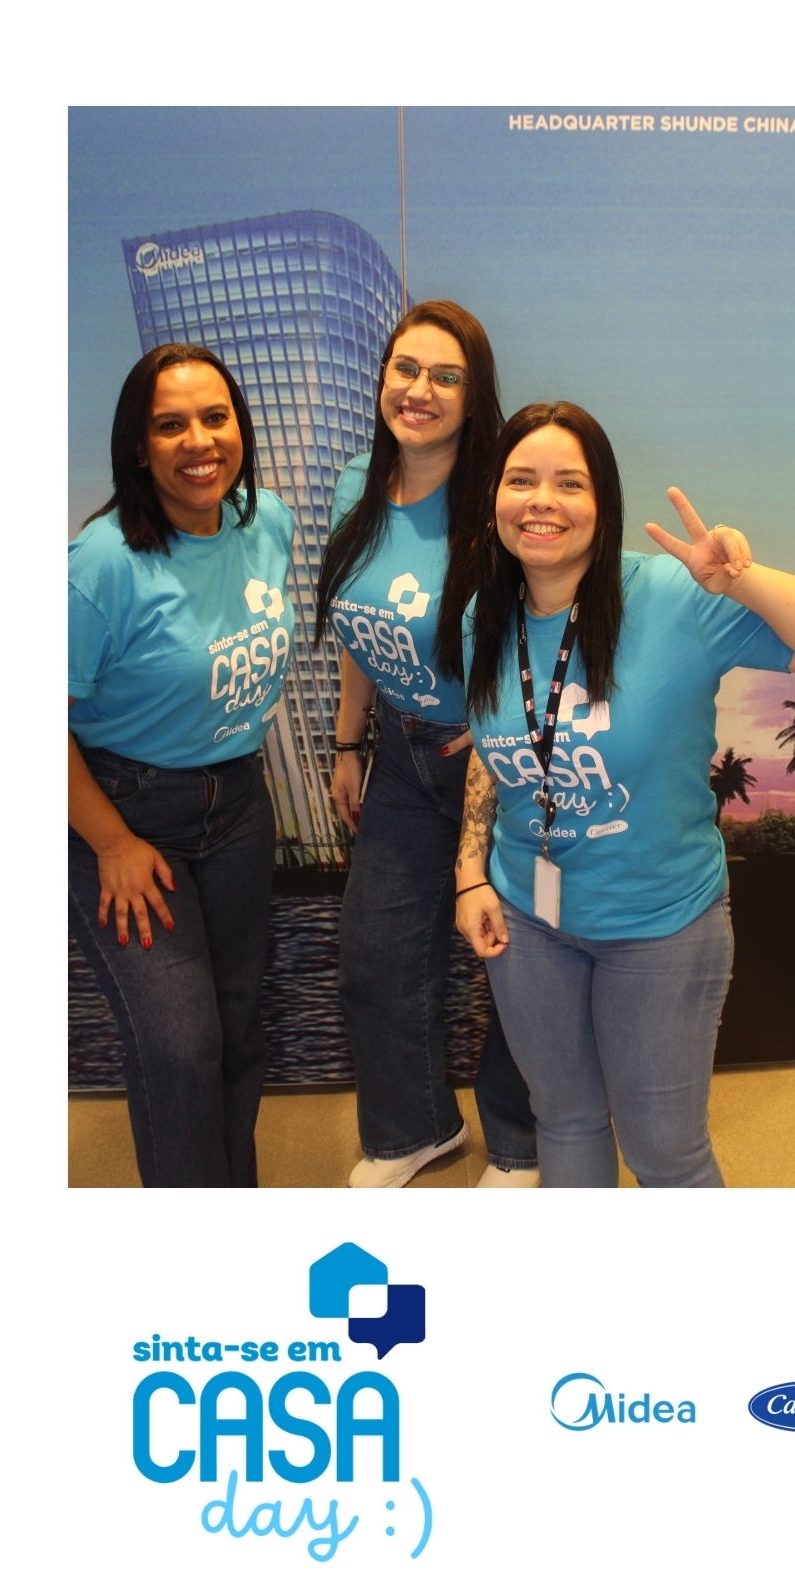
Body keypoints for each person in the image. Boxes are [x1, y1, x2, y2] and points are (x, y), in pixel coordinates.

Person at [455, 402, 795, 1187]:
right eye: (521, 480)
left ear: (603, 502)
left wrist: (741, 580)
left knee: (663, 1153)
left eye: (569, 483)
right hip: (530, 918)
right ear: (494, 498)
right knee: (564, 1120)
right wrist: (470, 872)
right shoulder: (486, 614)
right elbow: (497, 749)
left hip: (660, 926)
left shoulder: (673, 597)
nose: (542, 500)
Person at [315, 301, 538, 1188]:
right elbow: (358, 626)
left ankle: (519, 1146)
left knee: (512, 960)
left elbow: (521, 656)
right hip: (402, 760)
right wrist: (348, 744)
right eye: (406, 369)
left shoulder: (498, 509)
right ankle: (414, 1129)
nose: (420, 390)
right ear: (382, 378)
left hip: (496, 761)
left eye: (447, 377)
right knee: (376, 955)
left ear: (473, 397)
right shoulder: (355, 488)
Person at [69, 344, 295, 1187]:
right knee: (181, 1046)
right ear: (139, 446)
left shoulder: (266, 523)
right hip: (125, 812)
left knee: (237, 1028)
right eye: (170, 426)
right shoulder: (102, 564)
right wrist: (111, 843)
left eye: (214, 417)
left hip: (236, 803)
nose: (198, 442)